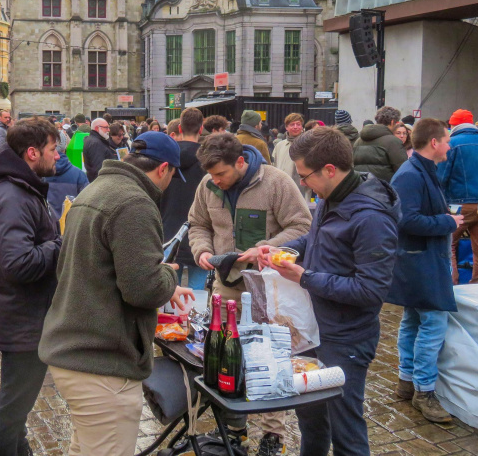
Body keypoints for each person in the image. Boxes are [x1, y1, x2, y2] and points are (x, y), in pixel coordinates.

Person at [38, 132, 193, 455]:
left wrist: (165, 284)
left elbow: (103, 268)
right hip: (100, 362)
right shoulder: (134, 202)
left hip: (74, 349)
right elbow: (143, 288)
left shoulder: (98, 188)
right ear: (163, 169)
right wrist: (164, 274)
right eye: (170, 177)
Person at [256, 126, 400, 456]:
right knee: (310, 417)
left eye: (305, 176)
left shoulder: (371, 217)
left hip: (346, 338)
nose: (302, 183)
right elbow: (315, 240)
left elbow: (371, 291)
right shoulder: (330, 197)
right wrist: (280, 249)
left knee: (345, 427)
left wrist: (304, 277)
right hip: (313, 330)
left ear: (330, 170)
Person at [188, 132, 312, 452]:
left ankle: (274, 436)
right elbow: (198, 224)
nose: (215, 180)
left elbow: (301, 226)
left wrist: (266, 249)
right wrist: (201, 249)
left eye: (221, 174)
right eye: (211, 175)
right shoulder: (208, 186)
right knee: (229, 356)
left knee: (269, 359)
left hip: (267, 288)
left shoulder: (276, 182)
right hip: (225, 286)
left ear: (240, 162)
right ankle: (234, 427)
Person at [0, 118, 62, 456]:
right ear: (32, 152)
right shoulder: (12, 195)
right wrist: (60, 244)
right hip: (22, 318)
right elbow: (19, 264)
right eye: (53, 150)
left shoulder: (20, 187)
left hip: (20, 314)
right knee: (12, 410)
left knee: (16, 408)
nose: (58, 157)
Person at [387, 118, 462, 423]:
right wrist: (448, 222)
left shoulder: (419, 170)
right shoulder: (411, 174)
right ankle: (424, 392)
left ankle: (407, 383)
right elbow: (406, 220)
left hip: (420, 259)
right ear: (434, 142)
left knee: (414, 321)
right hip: (420, 261)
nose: (449, 145)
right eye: (446, 140)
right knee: (432, 324)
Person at [438, 109, 478, 285]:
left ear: (453, 125)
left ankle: (451, 285)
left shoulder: (452, 143)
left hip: (456, 205)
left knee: (448, 245)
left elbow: (441, 177)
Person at [160, 108, 208, 292]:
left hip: (169, 230)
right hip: (200, 233)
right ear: (201, 129)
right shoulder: (208, 160)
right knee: (196, 294)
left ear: (179, 128)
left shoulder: (166, 158)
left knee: (171, 292)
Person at [353, 106, 408, 182]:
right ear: (392, 122)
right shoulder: (393, 142)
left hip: (361, 188)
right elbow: (402, 170)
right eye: (397, 123)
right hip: (383, 189)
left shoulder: (358, 141)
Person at [45, 130, 89, 220]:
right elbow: (87, 205)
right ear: (65, 147)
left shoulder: (36, 173)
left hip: (46, 225)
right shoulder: (79, 175)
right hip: (71, 225)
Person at [272, 113, 311, 199]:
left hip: (303, 190)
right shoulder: (280, 146)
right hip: (282, 190)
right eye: (292, 124)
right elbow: (274, 166)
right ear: (286, 127)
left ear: (302, 126)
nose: (295, 127)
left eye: (298, 124)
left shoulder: (309, 145)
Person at [82, 118, 117, 182]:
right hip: (101, 182)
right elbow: (98, 168)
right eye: (106, 128)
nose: (108, 130)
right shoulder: (96, 143)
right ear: (97, 128)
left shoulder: (96, 140)